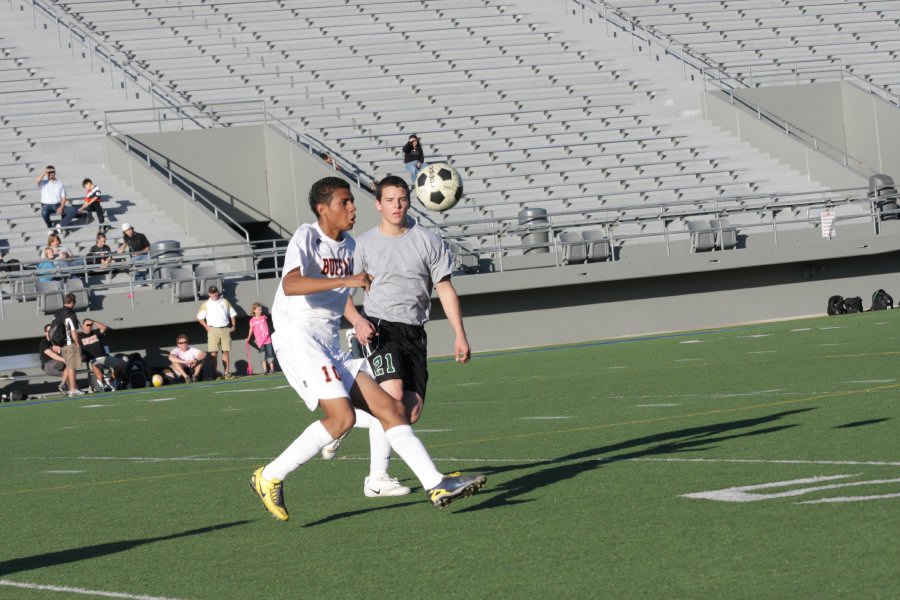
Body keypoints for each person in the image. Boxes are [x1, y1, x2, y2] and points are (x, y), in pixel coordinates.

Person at [248, 176, 485, 522]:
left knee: (391, 409)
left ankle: (436, 484)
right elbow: (292, 283)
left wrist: (356, 309)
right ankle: (269, 476)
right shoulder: (307, 236)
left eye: (352, 202)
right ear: (322, 209)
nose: (352, 208)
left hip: (328, 342)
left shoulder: (350, 247)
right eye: (344, 203)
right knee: (341, 418)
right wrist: (346, 281)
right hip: (299, 337)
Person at [330, 175, 472, 498]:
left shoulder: (428, 240)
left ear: (410, 201)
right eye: (390, 200)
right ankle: (377, 478)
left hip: (414, 333)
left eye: (402, 199)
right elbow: (341, 291)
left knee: (408, 413)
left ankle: (347, 419)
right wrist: (357, 320)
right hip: (379, 328)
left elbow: (445, 289)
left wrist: (459, 334)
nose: (397, 206)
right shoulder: (362, 245)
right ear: (378, 205)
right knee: (391, 400)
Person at [196, 285, 237, 379]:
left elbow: (232, 314)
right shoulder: (206, 304)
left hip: (225, 328)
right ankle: (214, 374)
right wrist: (206, 326)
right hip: (213, 329)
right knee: (213, 353)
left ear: (218, 292)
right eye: (212, 292)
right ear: (209, 294)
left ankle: (226, 373)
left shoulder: (224, 301)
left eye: (215, 292)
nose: (214, 294)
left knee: (225, 352)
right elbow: (199, 317)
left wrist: (233, 326)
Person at [50, 293, 84, 397]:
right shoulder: (70, 313)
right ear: (72, 302)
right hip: (69, 343)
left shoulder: (57, 313)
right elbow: (73, 330)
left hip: (61, 344)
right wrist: (77, 343)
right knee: (72, 367)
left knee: (69, 366)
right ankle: (73, 389)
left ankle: (72, 388)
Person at [79, 318, 125, 392]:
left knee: (121, 364)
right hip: (93, 359)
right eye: (87, 325)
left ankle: (110, 381)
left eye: (91, 325)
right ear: (82, 326)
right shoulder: (79, 336)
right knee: (95, 365)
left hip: (104, 358)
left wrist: (94, 321)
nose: (89, 326)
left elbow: (104, 327)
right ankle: (103, 384)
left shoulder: (96, 332)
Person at [36, 165, 76, 235]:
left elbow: (63, 197)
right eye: (50, 172)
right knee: (44, 212)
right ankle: (50, 227)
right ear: (47, 173)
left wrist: (61, 207)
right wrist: (44, 173)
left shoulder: (59, 183)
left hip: (57, 205)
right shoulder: (43, 182)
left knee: (73, 210)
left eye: (53, 171)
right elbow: (36, 181)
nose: (51, 173)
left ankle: (60, 225)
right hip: (46, 205)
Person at [246, 302, 276, 375]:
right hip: (260, 340)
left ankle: (272, 369)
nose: (260, 311)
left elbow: (267, 327)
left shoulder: (264, 317)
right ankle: (265, 369)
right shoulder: (252, 320)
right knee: (263, 355)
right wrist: (248, 337)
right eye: (259, 310)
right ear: (254, 310)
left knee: (270, 353)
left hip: (267, 339)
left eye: (261, 310)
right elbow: (251, 329)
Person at [38, 323, 66, 393]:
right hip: (48, 365)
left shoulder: (58, 341)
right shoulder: (44, 342)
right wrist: (63, 360)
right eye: (48, 331)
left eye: (52, 331)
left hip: (62, 364)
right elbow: (51, 354)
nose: (51, 332)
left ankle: (70, 388)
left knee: (69, 372)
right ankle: (66, 385)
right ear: (45, 333)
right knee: (63, 364)